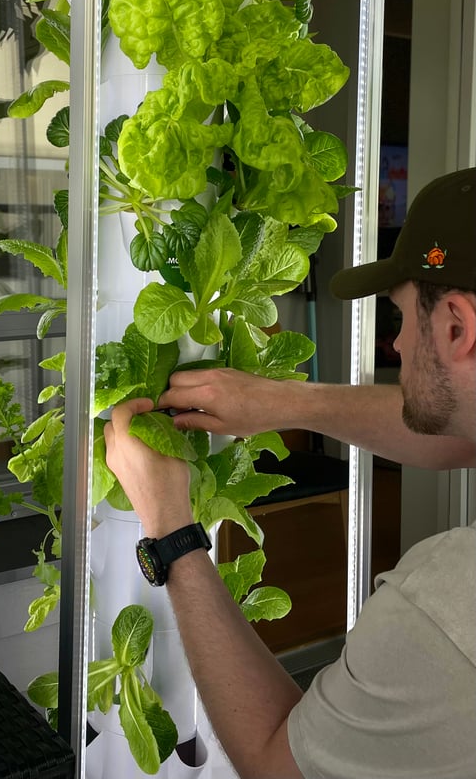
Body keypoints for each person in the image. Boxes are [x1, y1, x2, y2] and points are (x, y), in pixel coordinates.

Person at [104, 166, 476, 779]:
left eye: (401, 319)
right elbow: (457, 436)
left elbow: (276, 763)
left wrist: (170, 529)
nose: (398, 344)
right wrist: (283, 402)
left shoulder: (447, 607)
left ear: (457, 327)